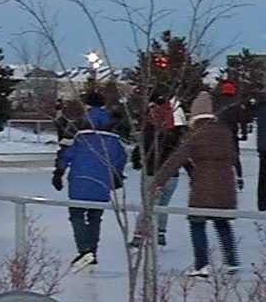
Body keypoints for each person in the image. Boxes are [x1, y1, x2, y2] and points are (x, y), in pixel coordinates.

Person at [154, 91, 243, 278]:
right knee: (222, 222)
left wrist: (158, 182)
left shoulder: (195, 134)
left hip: (202, 185)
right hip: (226, 185)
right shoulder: (224, 131)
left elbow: (176, 159)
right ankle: (231, 261)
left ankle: (202, 264)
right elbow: (234, 156)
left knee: (197, 223)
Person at [53, 93, 127, 272]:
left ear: (86, 105)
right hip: (101, 179)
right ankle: (92, 252)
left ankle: (85, 250)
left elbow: (66, 152)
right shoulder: (112, 131)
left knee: (77, 215)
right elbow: (121, 157)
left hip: (80, 177)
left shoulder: (78, 127)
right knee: (95, 217)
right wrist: (116, 175)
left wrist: (59, 172)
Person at [131, 108, 185, 248]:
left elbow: (137, 153)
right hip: (172, 175)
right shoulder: (175, 136)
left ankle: (139, 234)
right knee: (163, 205)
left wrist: (137, 163)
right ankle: (160, 233)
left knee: (149, 205)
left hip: (152, 173)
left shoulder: (148, 135)